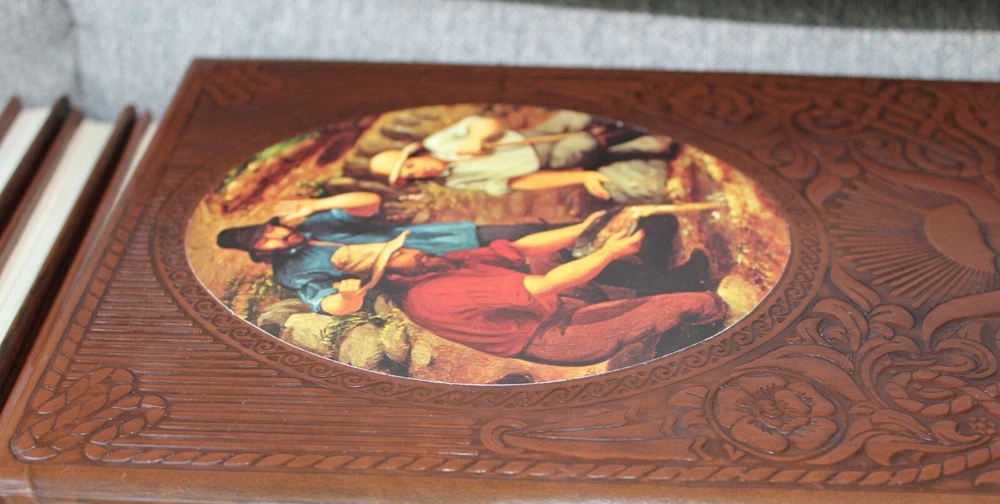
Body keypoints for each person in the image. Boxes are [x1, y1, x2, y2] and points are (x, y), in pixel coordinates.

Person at [377, 216, 727, 365]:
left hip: (551, 305)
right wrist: (608, 251)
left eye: (401, 248)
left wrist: (586, 227)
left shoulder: (438, 264)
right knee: (703, 304)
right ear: (392, 276)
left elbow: (522, 248)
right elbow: (546, 284)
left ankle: (672, 281)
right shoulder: (434, 293)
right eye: (398, 256)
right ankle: (682, 349)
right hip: (552, 334)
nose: (411, 252)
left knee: (545, 255)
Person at [215, 191, 567, 315]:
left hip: (445, 239)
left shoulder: (315, 224)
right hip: (418, 274)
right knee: (520, 281)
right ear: (259, 253)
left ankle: (587, 233)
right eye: (266, 241)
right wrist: (347, 300)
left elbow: (369, 203)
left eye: (271, 229)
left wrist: (316, 204)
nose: (277, 235)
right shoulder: (290, 272)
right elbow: (324, 303)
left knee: (528, 235)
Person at [367, 113, 617, 199]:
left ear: (415, 154)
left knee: (579, 116)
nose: (419, 172)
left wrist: (475, 138)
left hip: (536, 135)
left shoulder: (437, 143)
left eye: (411, 165)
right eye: (411, 176)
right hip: (550, 159)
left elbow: (488, 123)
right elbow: (520, 182)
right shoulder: (454, 181)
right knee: (584, 144)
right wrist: (582, 177)